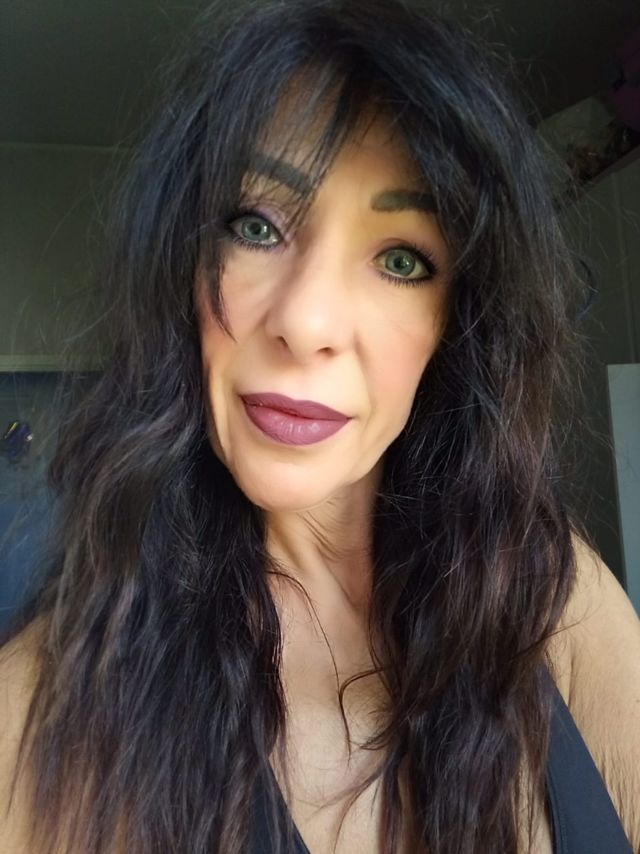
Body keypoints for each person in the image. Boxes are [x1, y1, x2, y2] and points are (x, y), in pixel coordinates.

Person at [1, 1, 639, 852]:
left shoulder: (552, 594)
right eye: (256, 226)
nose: (306, 322)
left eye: (402, 259)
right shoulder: (37, 714)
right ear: (182, 268)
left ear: (459, 326)